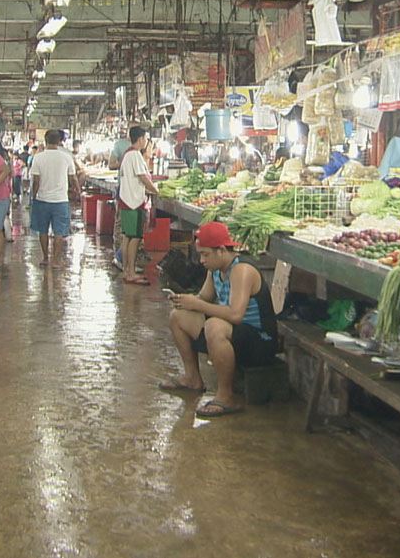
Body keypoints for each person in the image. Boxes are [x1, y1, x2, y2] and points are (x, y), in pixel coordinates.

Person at [160, 222, 279, 419]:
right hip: (233, 333)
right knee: (178, 316)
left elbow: (235, 315)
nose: (201, 260)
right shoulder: (214, 269)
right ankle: (192, 378)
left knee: (214, 325)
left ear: (222, 250)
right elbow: (204, 298)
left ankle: (226, 396)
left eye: (205, 254)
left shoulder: (241, 270)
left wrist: (197, 305)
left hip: (259, 341)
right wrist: (184, 301)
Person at [29, 129, 77, 268]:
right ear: (59, 141)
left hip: (42, 199)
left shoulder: (38, 157)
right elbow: (73, 178)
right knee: (59, 232)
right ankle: (55, 261)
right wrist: (77, 191)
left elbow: (36, 181)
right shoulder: (66, 157)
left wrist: (34, 196)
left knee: (43, 230)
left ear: (46, 140)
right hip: (61, 201)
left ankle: (45, 258)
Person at [118, 127, 159, 285]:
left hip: (127, 201)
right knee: (135, 238)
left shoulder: (128, 154)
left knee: (127, 237)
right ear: (141, 139)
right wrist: (155, 189)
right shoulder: (134, 155)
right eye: (145, 139)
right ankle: (132, 273)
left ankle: (127, 270)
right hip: (134, 203)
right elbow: (142, 176)